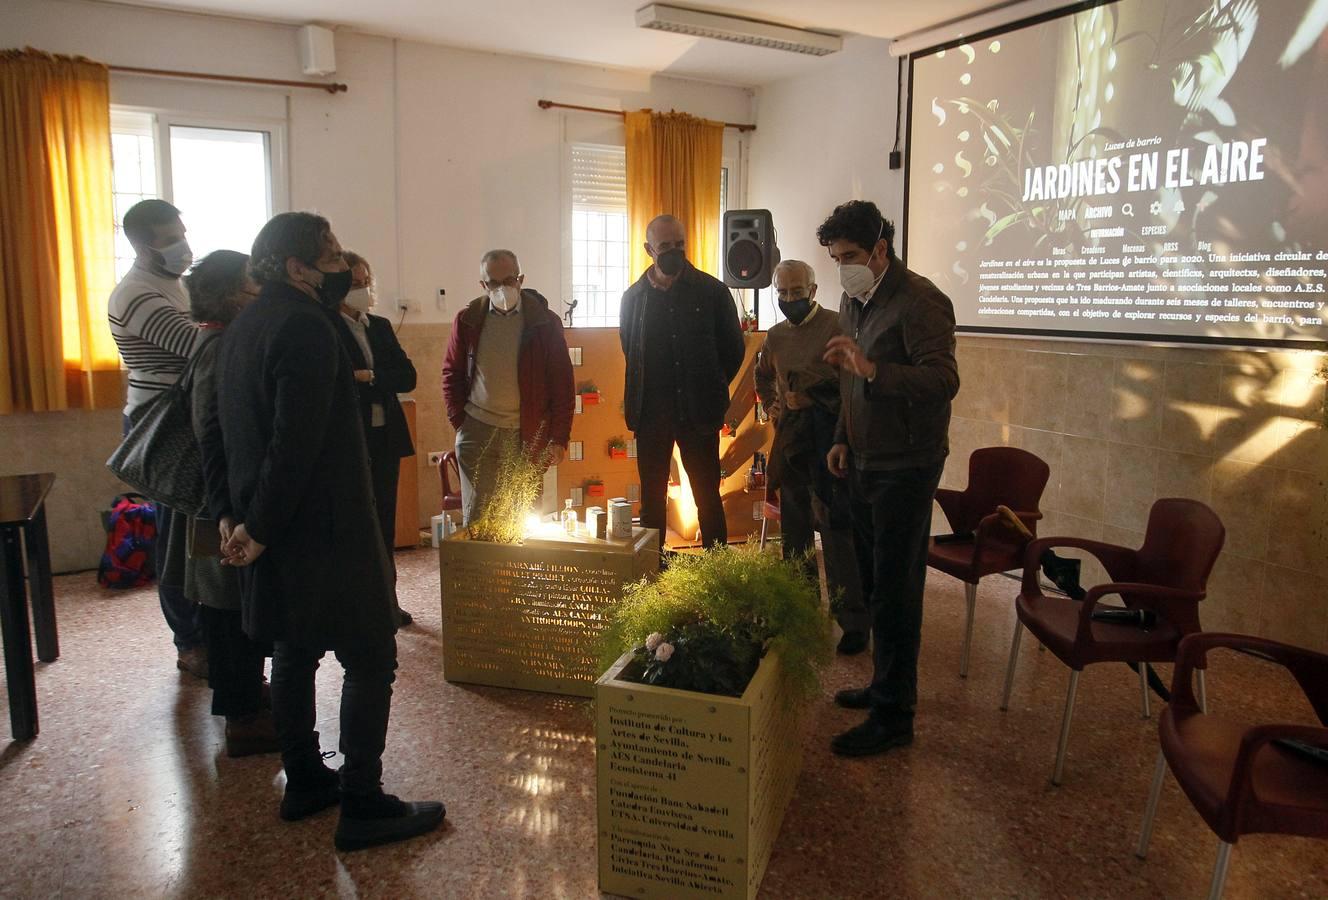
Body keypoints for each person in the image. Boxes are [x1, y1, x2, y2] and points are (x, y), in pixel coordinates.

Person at [209, 211, 444, 850]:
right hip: (327, 530)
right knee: (371, 656)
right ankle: (363, 803)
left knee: (293, 650)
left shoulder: (240, 328)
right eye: (332, 254)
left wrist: (235, 518)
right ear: (297, 267)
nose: (341, 265)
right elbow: (297, 443)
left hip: (271, 526)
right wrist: (256, 525)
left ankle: (308, 780)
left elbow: (216, 434)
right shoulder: (308, 327)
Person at [818, 200, 959, 758]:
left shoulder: (921, 301)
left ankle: (895, 716)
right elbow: (849, 382)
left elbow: (943, 380)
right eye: (835, 258)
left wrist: (874, 370)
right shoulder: (856, 300)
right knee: (876, 587)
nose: (842, 267)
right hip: (865, 459)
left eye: (850, 256)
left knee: (898, 593)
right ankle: (883, 686)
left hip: (906, 464)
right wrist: (840, 437)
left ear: (880, 248)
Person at [106, 199, 206, 678]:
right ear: (142, 243)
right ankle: (189, 641)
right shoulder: (137, 294)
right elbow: (198, 346)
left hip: (187, 418)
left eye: (182, 233)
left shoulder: (175, 286)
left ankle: (207, 629)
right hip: (160, 423)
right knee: (176, 538)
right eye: (170, 238)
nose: (182, 245)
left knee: (198, 533)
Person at [184, 250, 276, 757]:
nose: (259, 295)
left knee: (236, 601)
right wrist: (229, 511)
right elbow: (211, 429)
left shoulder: (224, 340)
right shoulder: (218, 346)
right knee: (226, 606)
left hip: (224, 495)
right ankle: (242, 716)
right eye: (251, 286)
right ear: (229, 296)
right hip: (219, 502)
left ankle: (247, 697)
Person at [754, 259, 869, 655]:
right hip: (792, 445)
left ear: (813, 291)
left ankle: (852, 619)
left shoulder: (839, 327)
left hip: (833, 444)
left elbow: (854, 389)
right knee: (796, 533)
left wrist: (811, 399)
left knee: (837, 533)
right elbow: (763, 375)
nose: (789, 299)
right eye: (782, 293)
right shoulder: (776, 335)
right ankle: (800, 611)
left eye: (797, 292)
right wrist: (774, 407)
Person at [619, 214, 745, 551]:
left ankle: (716, 570)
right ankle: (651, 572)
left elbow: (733, 351)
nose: (675, 251)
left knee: (707, 494)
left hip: (700, 411)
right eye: (665, 246)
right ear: (649, 249)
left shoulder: (713, 292)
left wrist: (711, 386)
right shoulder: (633, 299)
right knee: (652, 499)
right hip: (652, 414)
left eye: (680, 244)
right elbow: (630, 350)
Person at [441, 249, 574, 525]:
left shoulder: (545, 322)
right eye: (493, 283)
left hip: (527, 433)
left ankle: (518, 570)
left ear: (521, 279)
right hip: (478, 430)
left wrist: (559, 437)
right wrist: (460, 421)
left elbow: (562, 384)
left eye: (509, 280)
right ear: (483, 285)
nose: (502, 288)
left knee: (523, 518)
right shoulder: (467, 320)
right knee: (479, 520)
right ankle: (481, 570)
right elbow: (451, 373)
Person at [333, 251, 417, 629]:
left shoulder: (379, 325)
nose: (362, 290)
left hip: (385, 438)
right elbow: (339, 379)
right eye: (353, 283)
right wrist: (374, 377)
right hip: (349, 440)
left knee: (384, 521)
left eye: (366, 282)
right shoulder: (326, 326)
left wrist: (368, 376)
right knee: (353, 525)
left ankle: (388, 601)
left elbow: (406, 377)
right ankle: (353, 605)